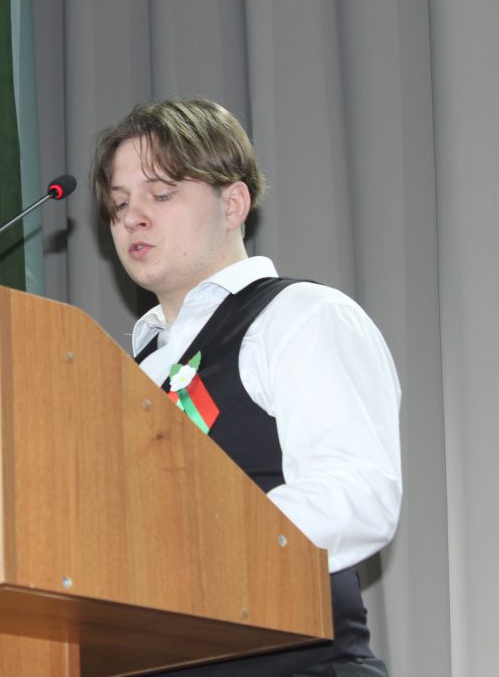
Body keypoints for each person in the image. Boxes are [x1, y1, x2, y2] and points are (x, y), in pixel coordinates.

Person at [90, 98, 402, 676]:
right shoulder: (128, 373)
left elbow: (357, 493)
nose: (133, 218)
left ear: (233, 204)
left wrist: (192, 547)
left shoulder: (301, 316)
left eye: (161, 194)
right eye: (119, 203)